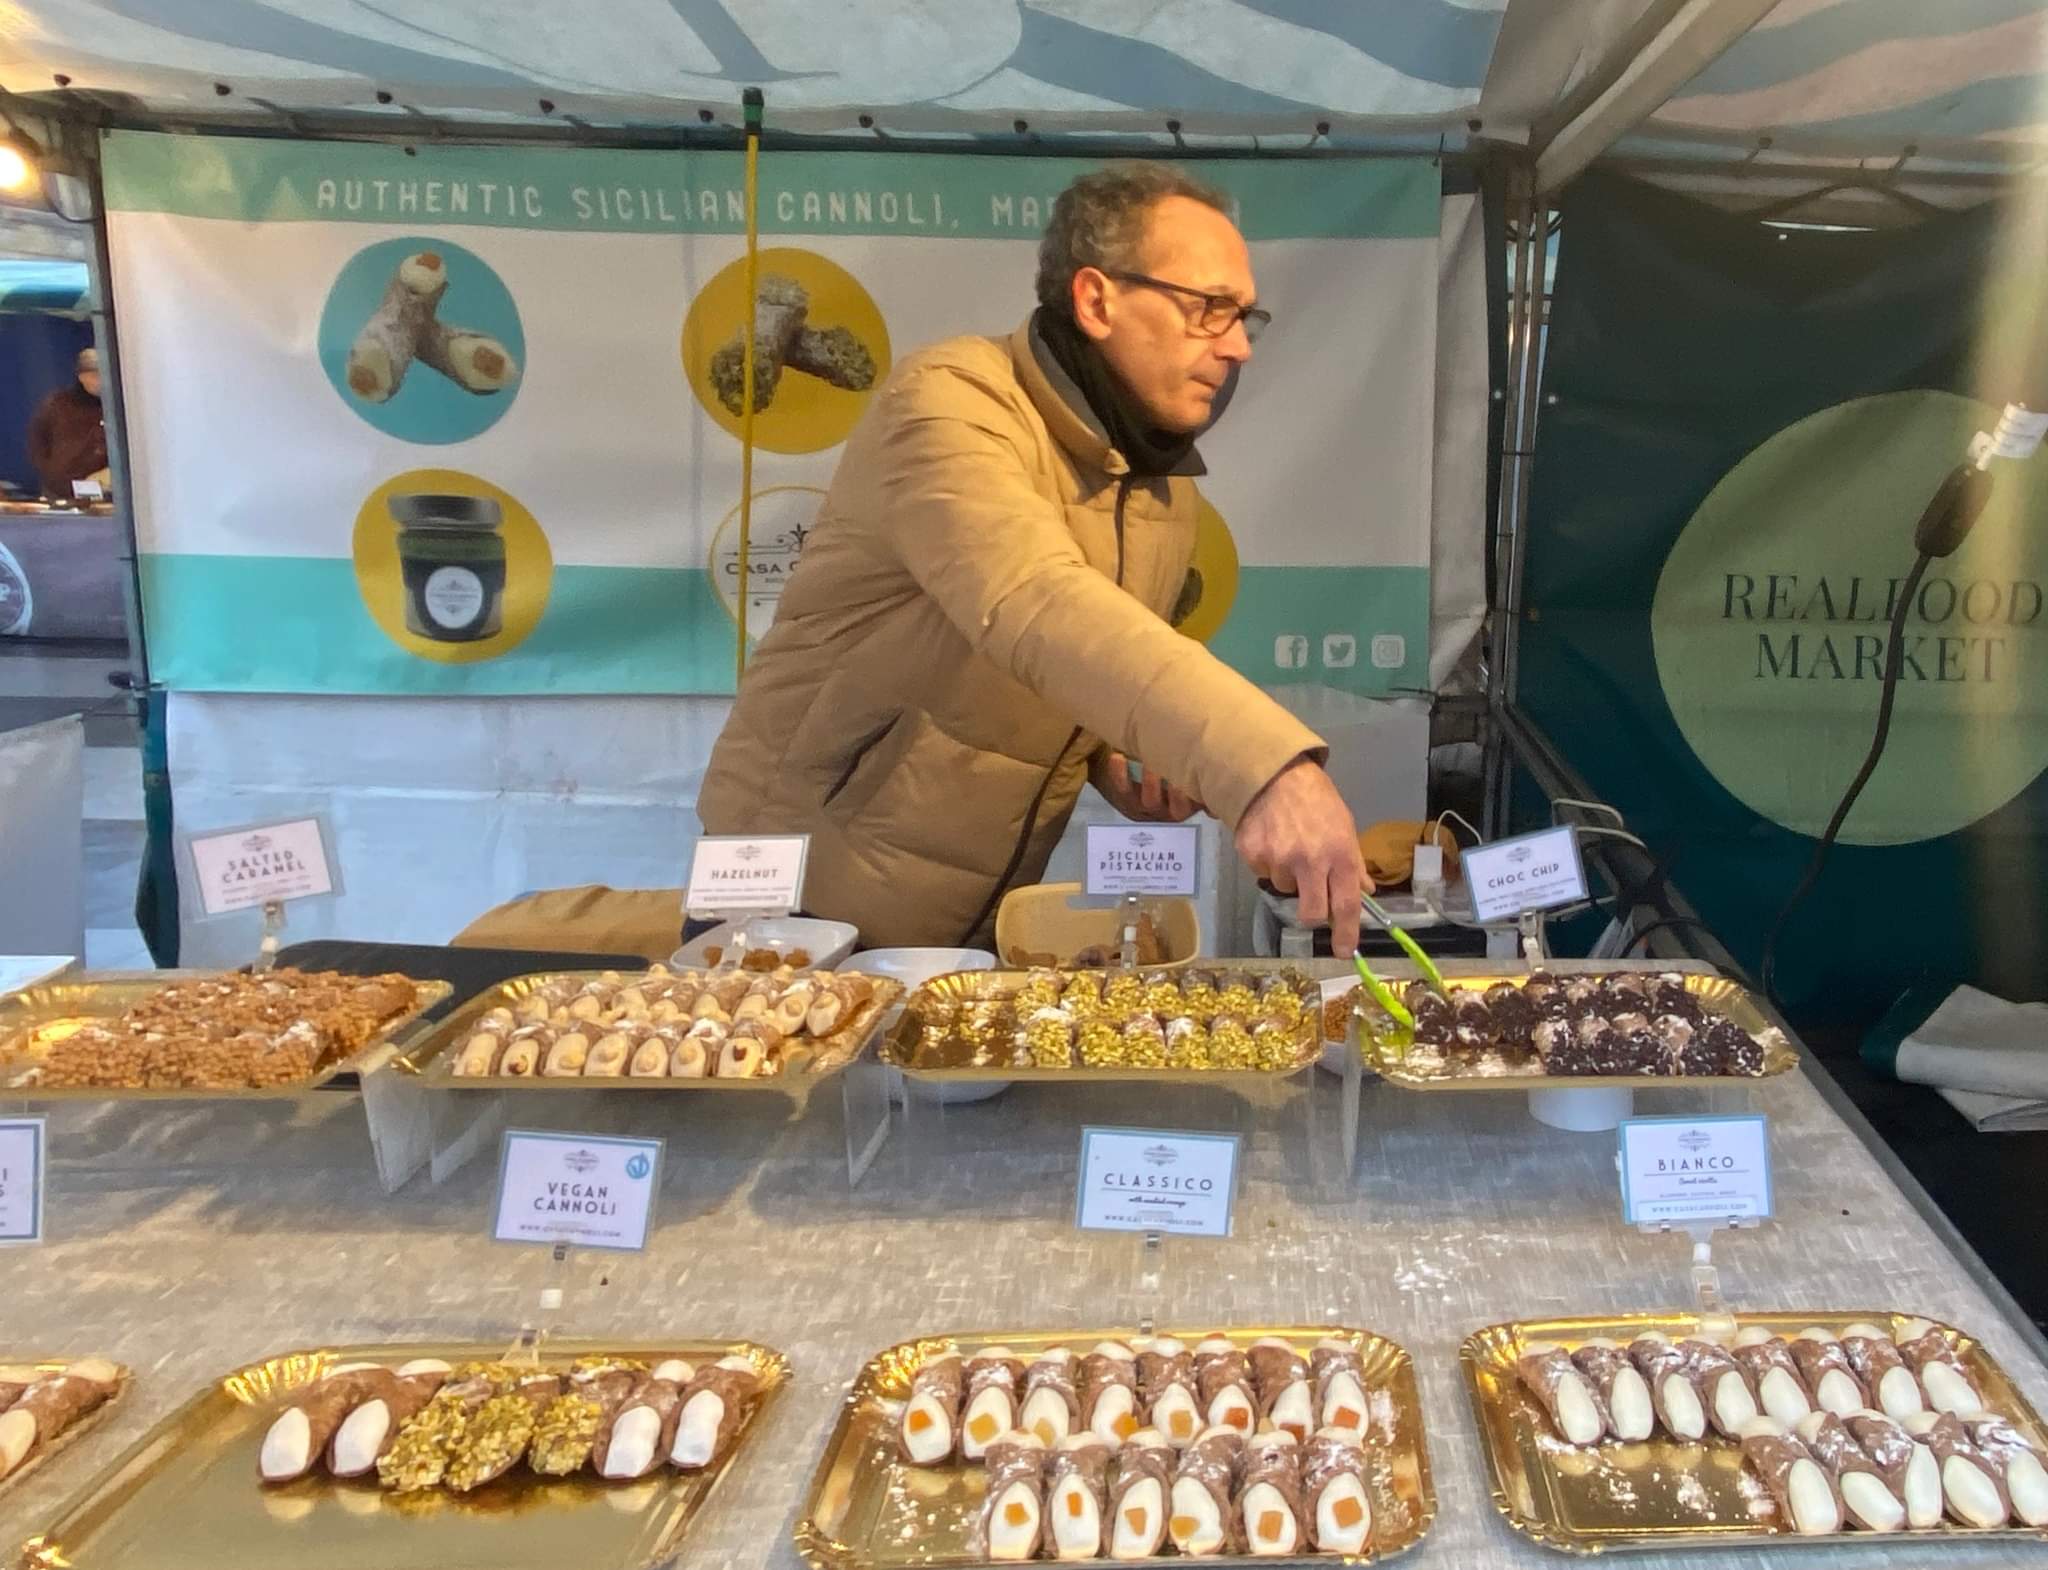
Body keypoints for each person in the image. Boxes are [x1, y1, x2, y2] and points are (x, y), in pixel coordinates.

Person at [698, 163, 1370, 954]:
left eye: (1244, 316)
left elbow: (1077, 666)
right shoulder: (950, 402)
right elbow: (1033, 601)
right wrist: (1263, 768)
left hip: (973, 920)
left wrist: (1116, 754)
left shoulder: (1159, 486)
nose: (1237, 347)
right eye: (1208, 309)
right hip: (800, 907)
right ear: (1096, 300)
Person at [26, 346, 109, 502]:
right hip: (58, 492)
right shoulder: (57, 404)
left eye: (105, 375)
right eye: (95, 375)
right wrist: (51, 473)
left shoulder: (117, 407)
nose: (101, 381)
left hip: (102, 494)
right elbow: (36, 440)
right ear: (82, 376)